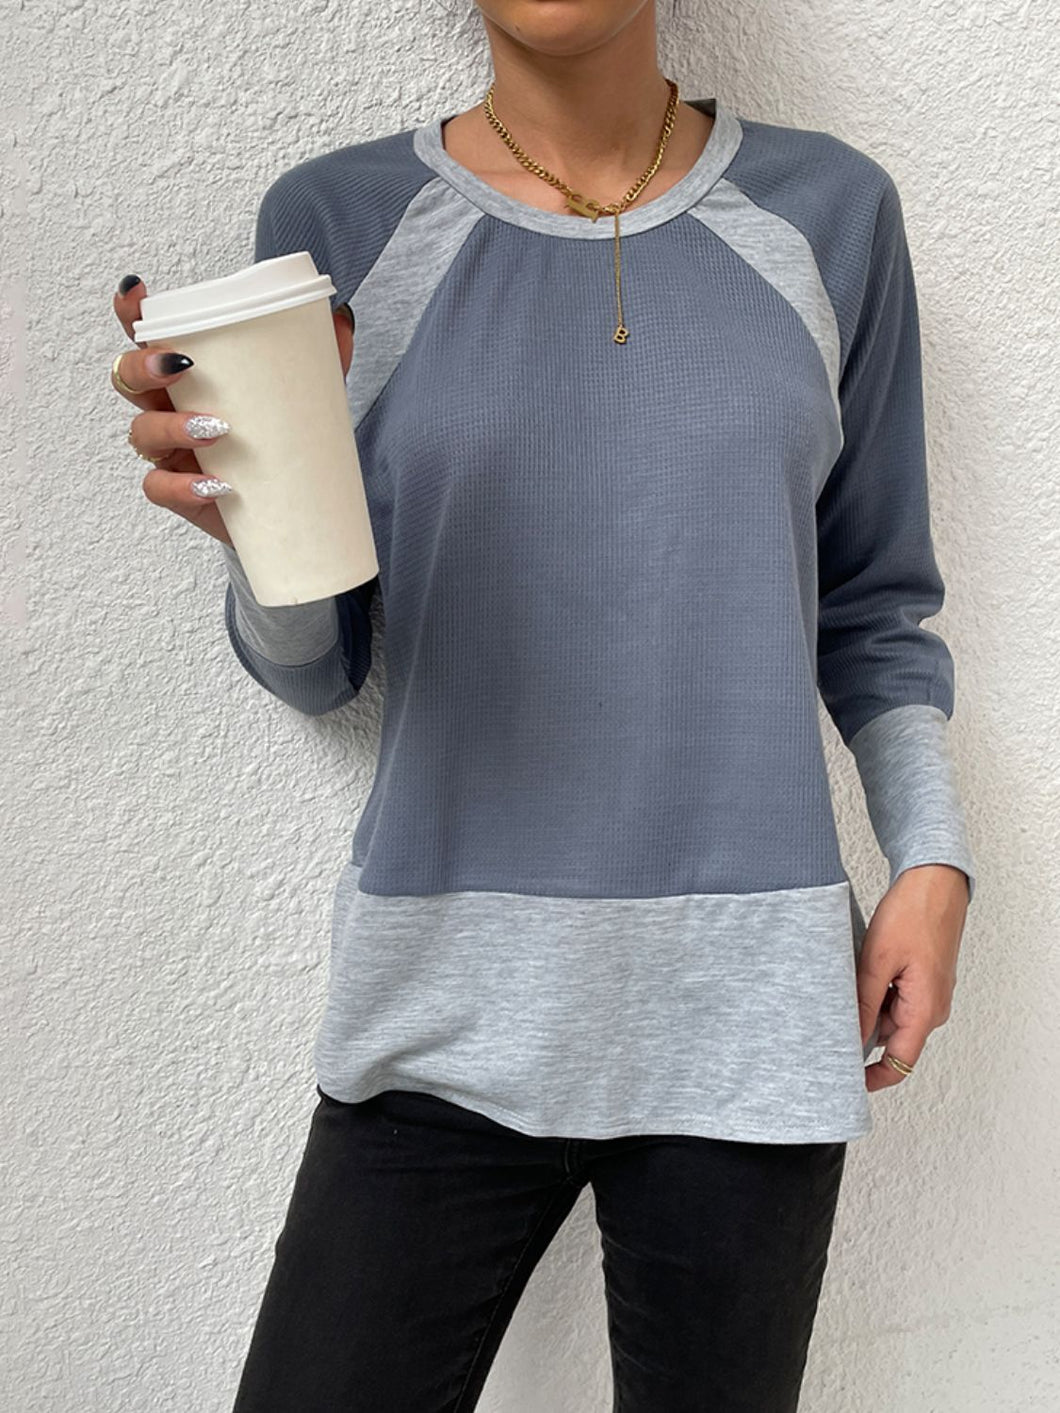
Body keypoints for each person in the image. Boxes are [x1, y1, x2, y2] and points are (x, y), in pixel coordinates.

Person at [109, 1, 977, 1407]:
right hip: (441, 1007)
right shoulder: (337, 225)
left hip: (744, 1019)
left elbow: (874, 604)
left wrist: (931, 862)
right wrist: (250, 529)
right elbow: (320, 662)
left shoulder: (831, 215)